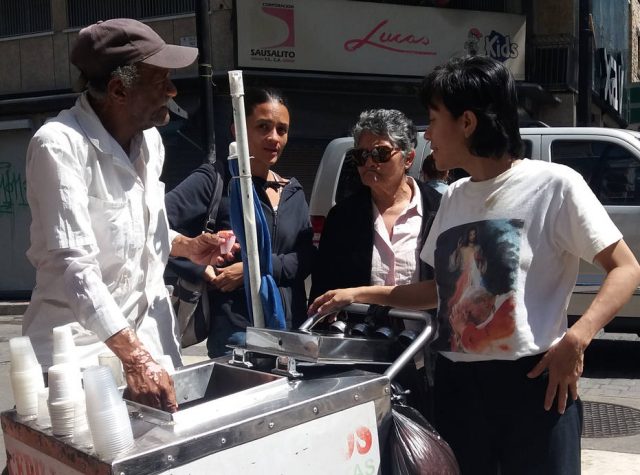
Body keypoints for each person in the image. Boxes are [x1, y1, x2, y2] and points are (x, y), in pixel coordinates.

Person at [309, 55, 640, 474]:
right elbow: (438, 291)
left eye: (433, 119)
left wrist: (577, 340)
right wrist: (357, 293)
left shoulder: (555, 185)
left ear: (467, 123)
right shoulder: (455, 196)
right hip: (458, 390)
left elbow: (626, 268)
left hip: (535, 386)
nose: (427, 135)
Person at [23, 19, 229, 412]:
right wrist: (134, 358)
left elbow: (137, 225)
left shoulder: (150, 142)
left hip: (150, 340)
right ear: (119, 89)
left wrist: (185, 246)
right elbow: (75, 266)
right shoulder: (58, 145)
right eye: (161, 81)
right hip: (78, 355)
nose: (172, 91)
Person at [309, 109, 441, 416]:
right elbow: (325, 288)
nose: (370, 163)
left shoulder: (440, 210)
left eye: (380, 153)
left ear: (408, 158)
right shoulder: (343, 217)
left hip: (426, 361)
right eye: (362, 155)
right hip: (363, 362)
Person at [166, 87, 315, 357]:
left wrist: (251, 271)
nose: (274, 138)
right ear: (238, 130)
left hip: (290, 333)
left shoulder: (293, 192)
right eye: (263, 127)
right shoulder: (215, 180)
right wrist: (199, 268)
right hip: (236, 337)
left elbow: (305, 258)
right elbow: (152, 226)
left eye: (282, 130)